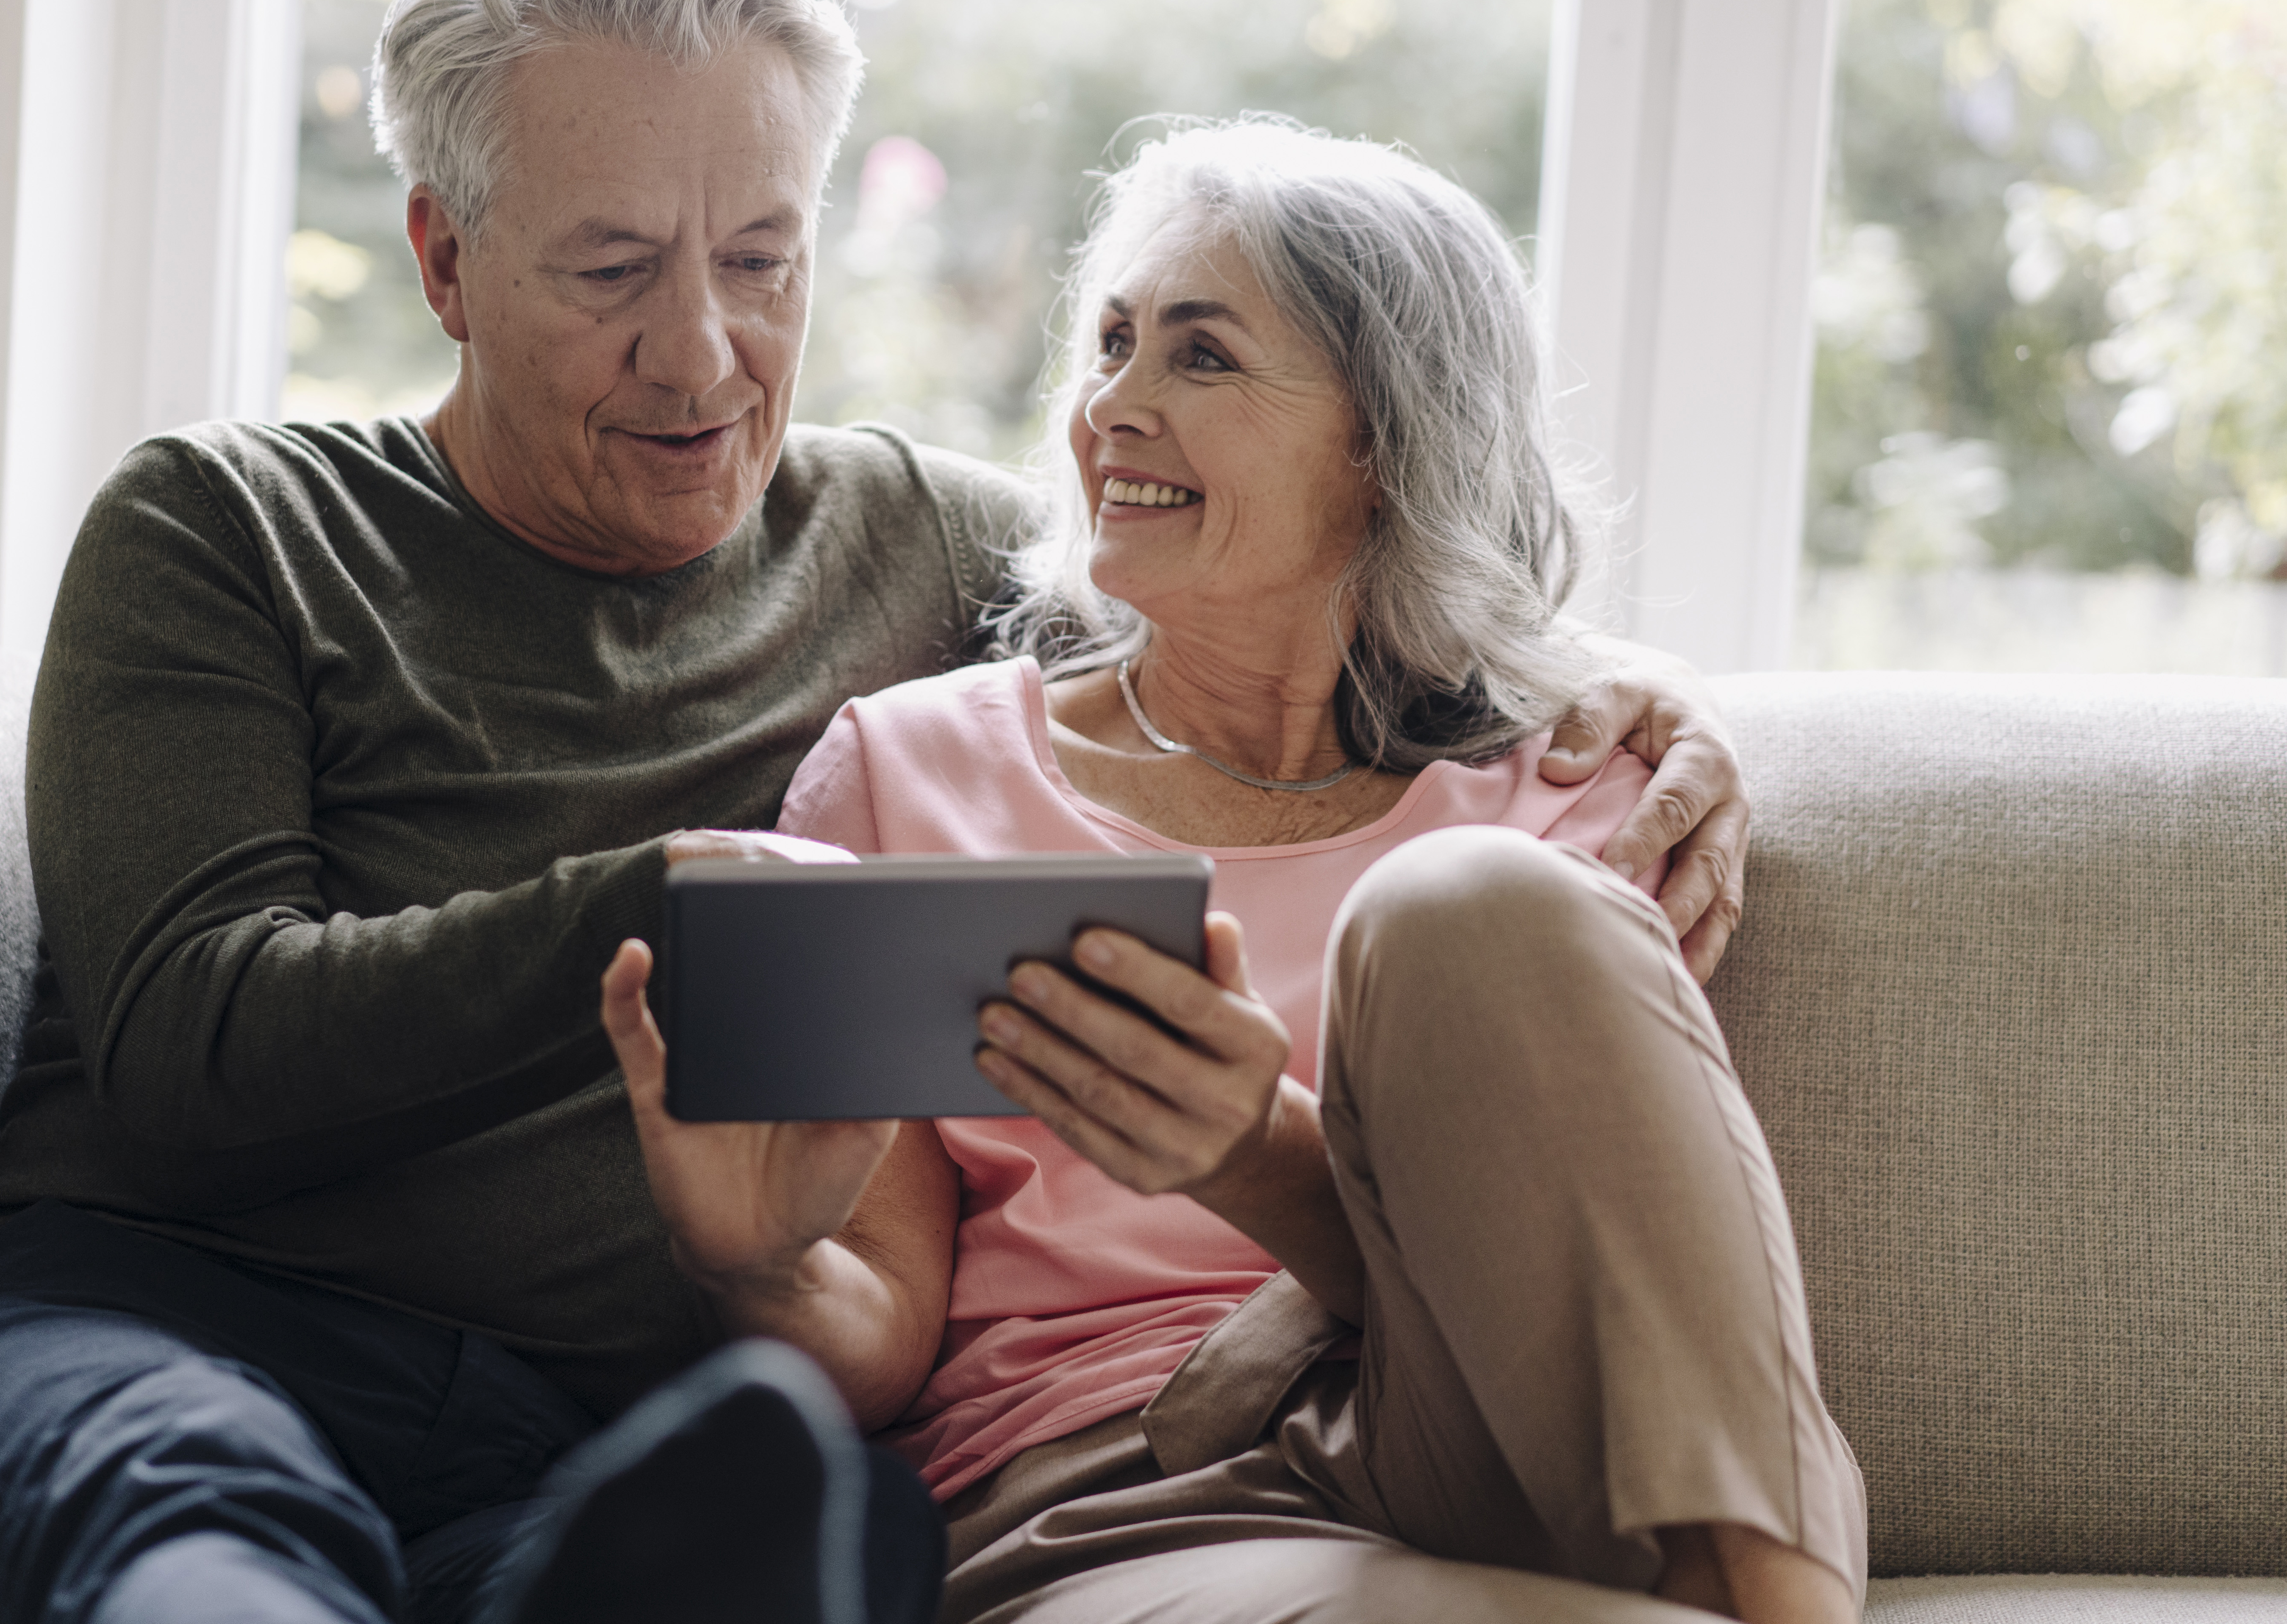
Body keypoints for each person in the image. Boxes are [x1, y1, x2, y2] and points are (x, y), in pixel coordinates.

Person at [0, 0, 1759, 1624]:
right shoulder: (231, 530)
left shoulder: (910, 541)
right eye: (609, 271)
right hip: (156, 1325)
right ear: (441, 259)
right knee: (195, 1513)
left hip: (596, 1433)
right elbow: (192, 1057)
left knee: (798, 1528)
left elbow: (1276, 543)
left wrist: (1624, 694)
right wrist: (664, 918)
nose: (703, 354)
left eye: (757, 258)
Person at [600, 119, 1863, 1624]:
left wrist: (1252, 1150)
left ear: (1386, 437)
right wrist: (753, 1266)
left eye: (1200, 359)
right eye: (1114, 342)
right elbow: (876, 1343)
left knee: (1472, 899)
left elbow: (1615, 1299)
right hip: (1139, 1482)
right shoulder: (914, 773)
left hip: (1508, 1440)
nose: (1111, 408)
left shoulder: (1582, 797)